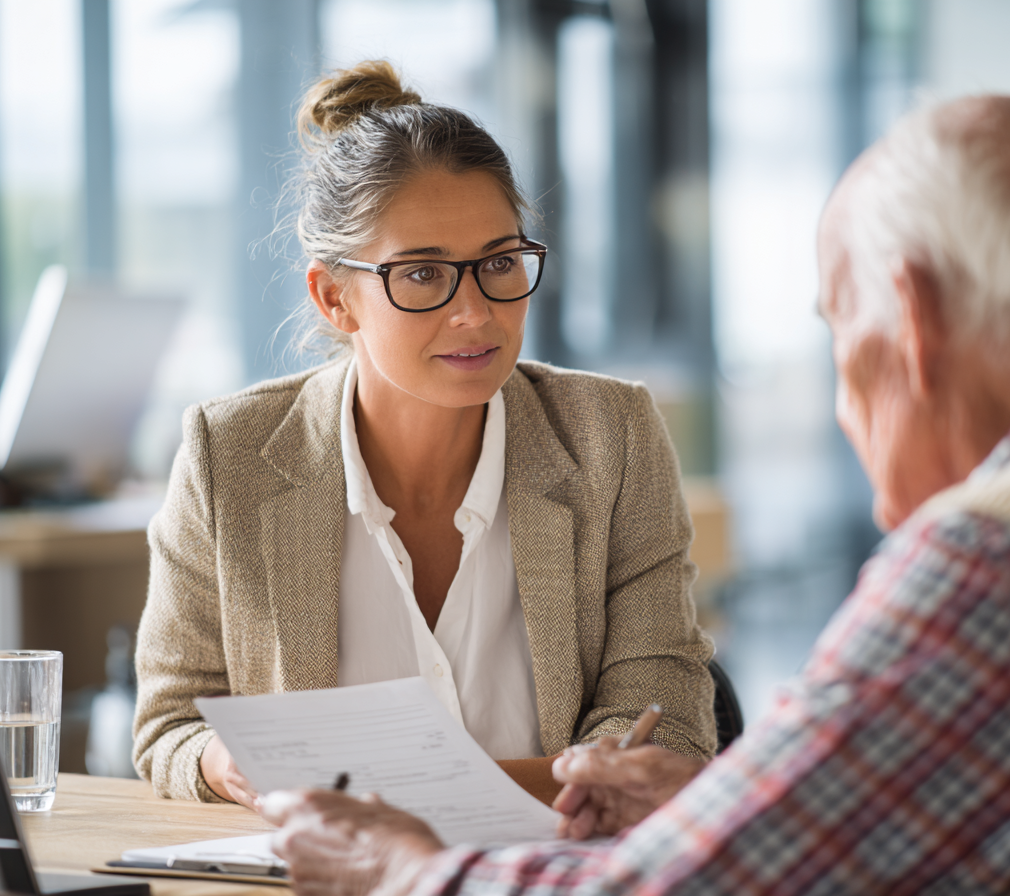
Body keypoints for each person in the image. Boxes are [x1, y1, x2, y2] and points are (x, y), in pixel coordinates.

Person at [258, 95, 1010, 895]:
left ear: (908, 321)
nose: (837, 406)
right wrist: (735, 803)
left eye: (835, 324)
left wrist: (404, 871)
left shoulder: (1006, 560)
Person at [131, 60, 717, 809]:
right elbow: (168, 726)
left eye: (500, 263)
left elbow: (663, 717)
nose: (475, 312)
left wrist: (406, 800)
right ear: (334, 297)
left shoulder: (611, 437)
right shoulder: (228, 455)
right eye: (422, 274)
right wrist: (222, 760)